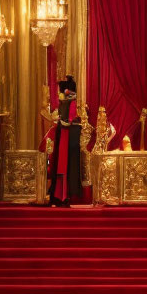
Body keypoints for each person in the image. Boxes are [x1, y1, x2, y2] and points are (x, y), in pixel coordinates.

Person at [46, 75, 82, 206]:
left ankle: (64, 195)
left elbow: (71, 119)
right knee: (59, 166)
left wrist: (64, 122)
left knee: (64, 166)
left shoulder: (71, 102)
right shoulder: (64, 103)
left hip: (68, 136)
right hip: (62, 135)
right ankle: (58, 195)